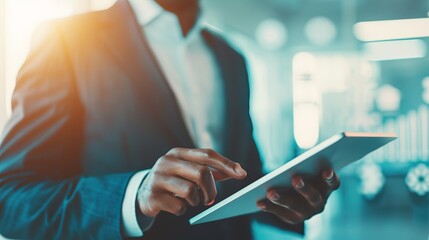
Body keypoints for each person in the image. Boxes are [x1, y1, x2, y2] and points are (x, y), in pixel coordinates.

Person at [0, 0, 340, 239]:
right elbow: (11, 199)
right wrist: (134, 196)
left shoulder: (230, 57)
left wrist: (287, 201)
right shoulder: (68, 40)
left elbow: (240, 180)